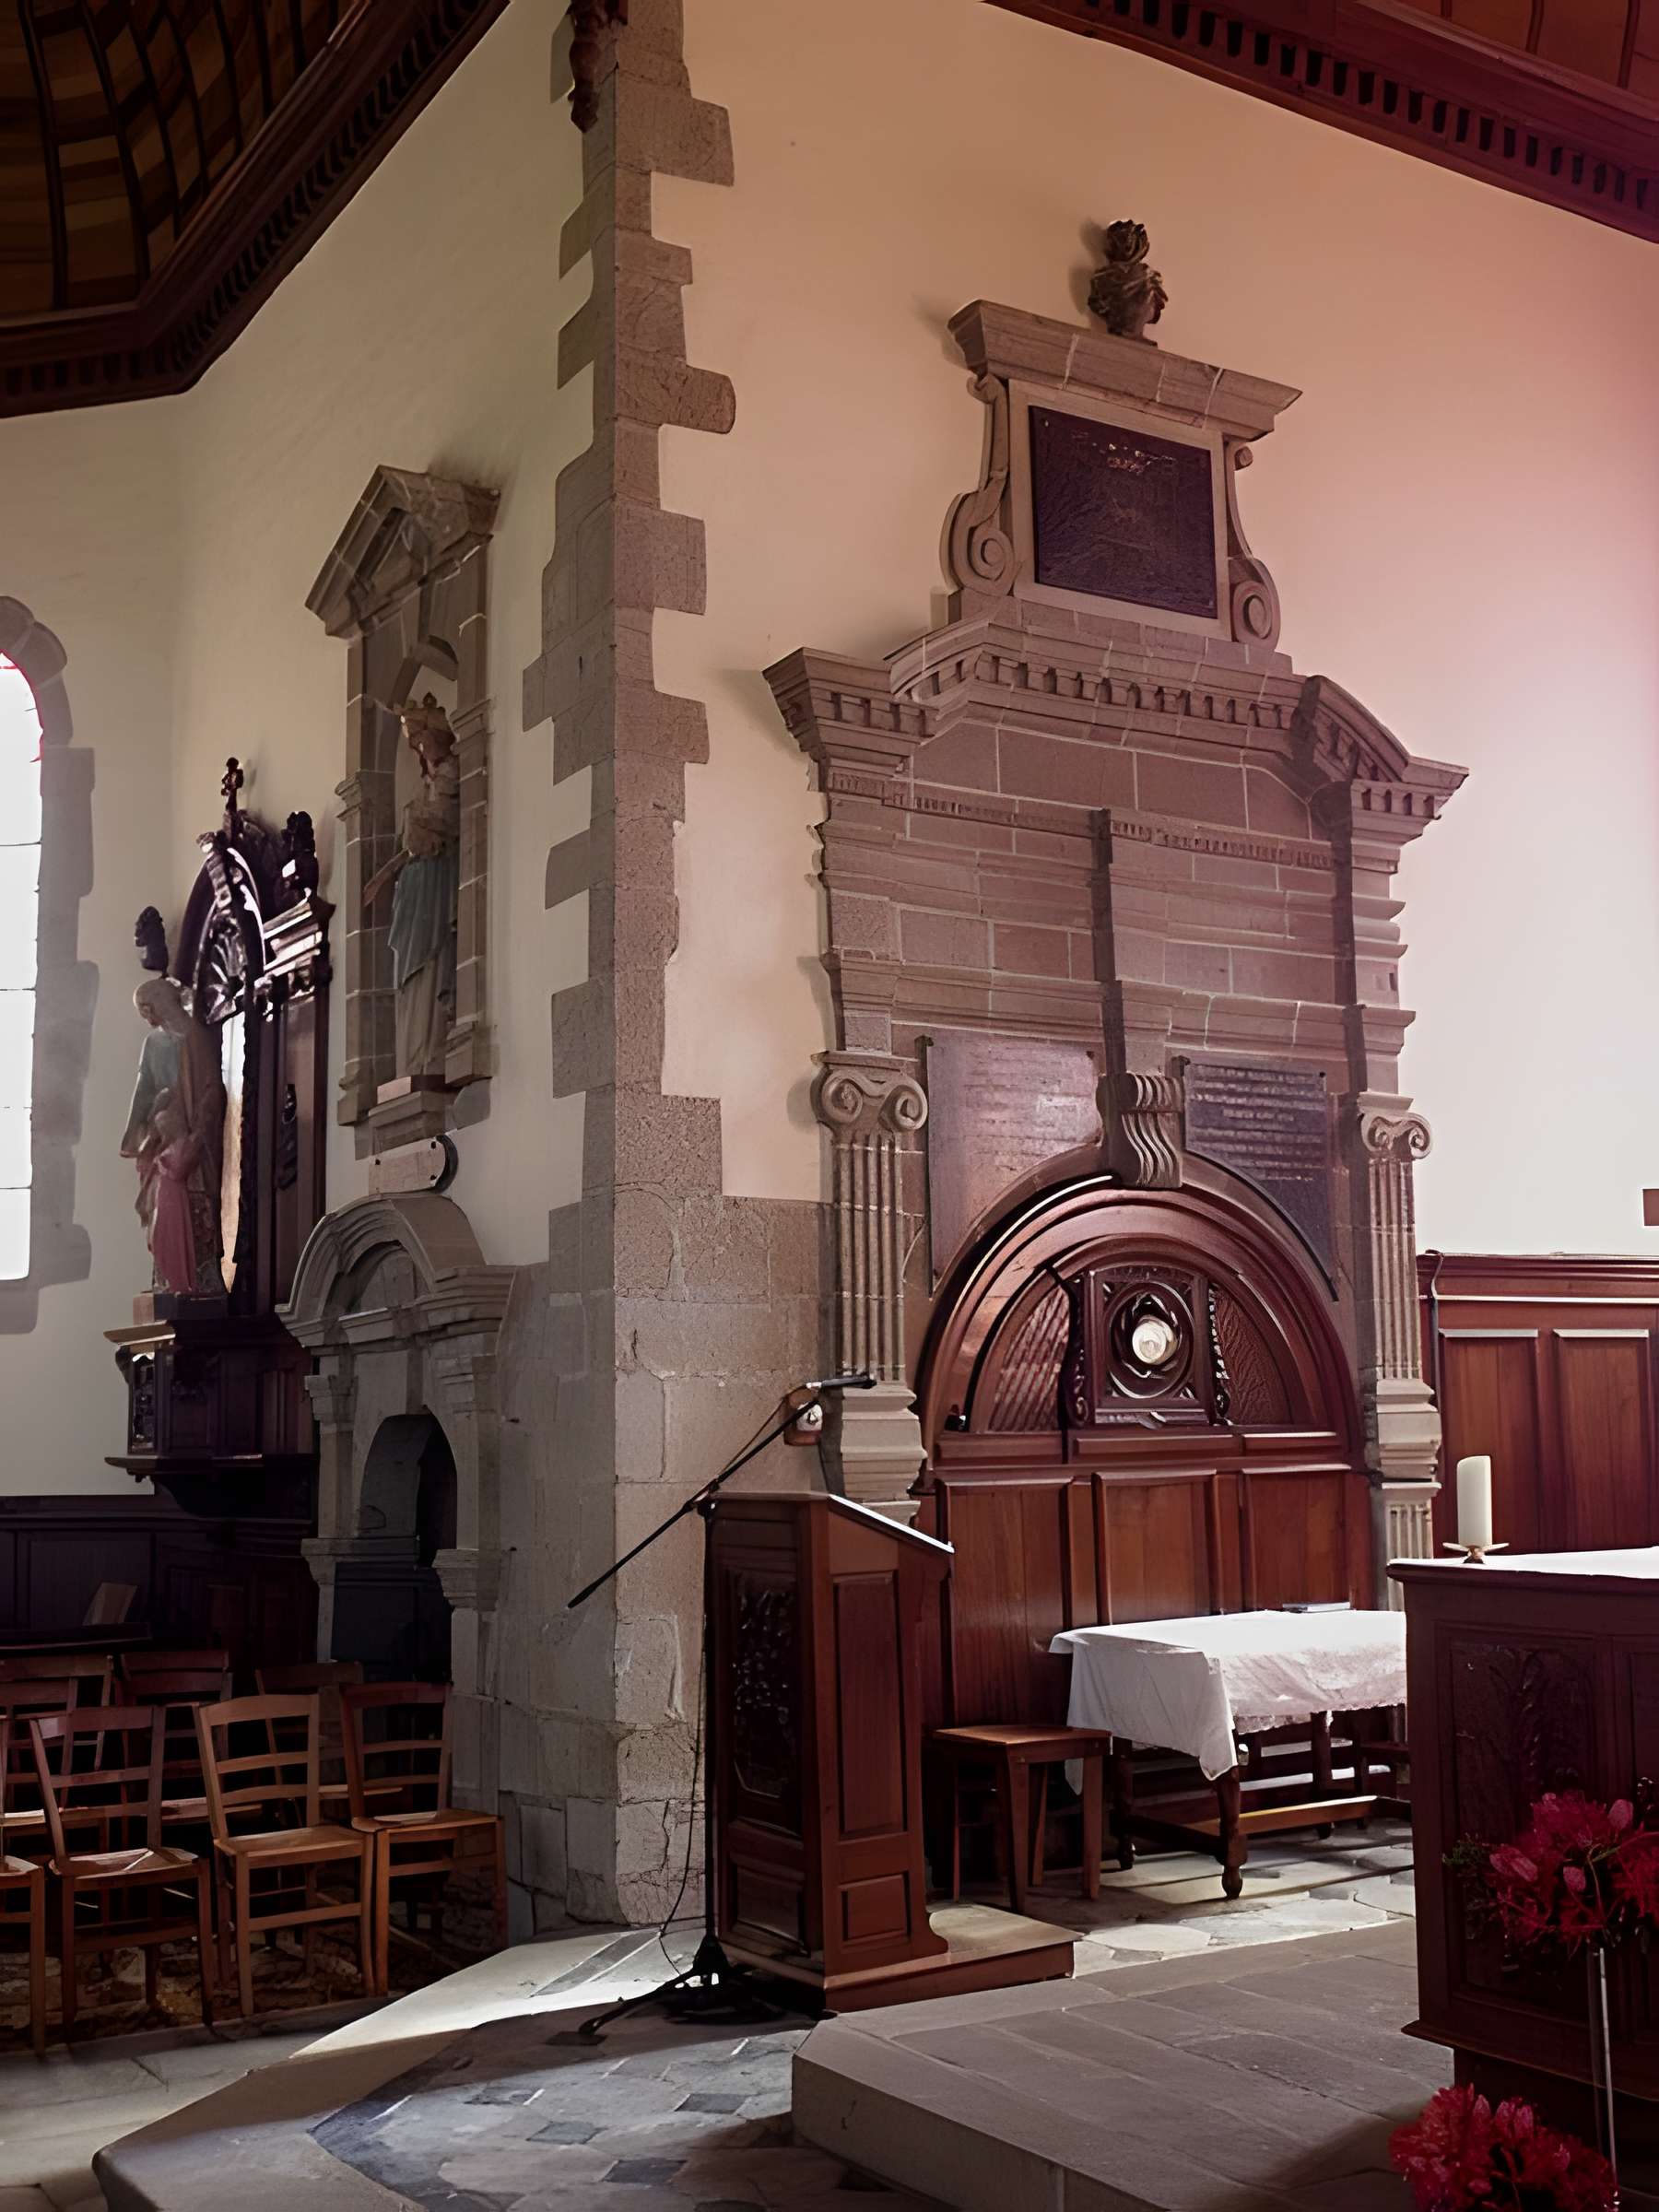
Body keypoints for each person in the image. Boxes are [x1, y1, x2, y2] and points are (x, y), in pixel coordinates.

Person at [362, 695, 460, 1083]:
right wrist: (382, 877)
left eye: (423, 739)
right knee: (407, 970)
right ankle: (411, 1058)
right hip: (414, 885)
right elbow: (409, 844)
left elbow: (441, 825)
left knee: (431, 963)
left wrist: (420, 827)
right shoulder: (426, 783)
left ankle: (430, 1050)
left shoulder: (451, 776)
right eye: (416, 742)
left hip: (436, 881)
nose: (420, 748)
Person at [120, 976, 224, 1293]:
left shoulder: (195, 1038)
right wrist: (139, 1133)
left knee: (192, 1206)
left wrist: (196, 1131)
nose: (147, 1016)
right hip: (161, 1139)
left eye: (148, 1008)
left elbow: (211, 1089)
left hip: (189, 1143)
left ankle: (195, 1278)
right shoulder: (153, 1043)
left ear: (162, 1003)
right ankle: (169, 1277)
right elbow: (144, 1089)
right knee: (159, 1209)